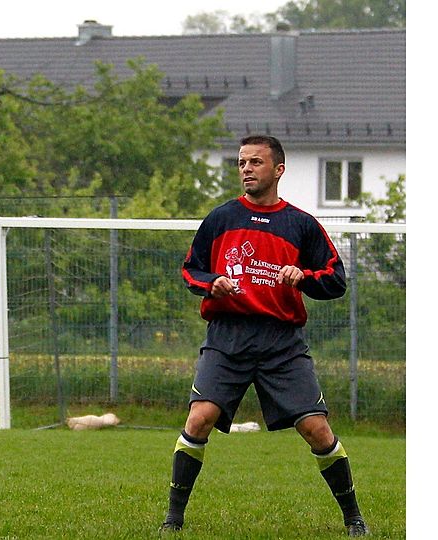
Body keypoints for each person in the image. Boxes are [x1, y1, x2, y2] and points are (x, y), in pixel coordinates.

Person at [160, 135, 368, 536]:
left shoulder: (301, 224)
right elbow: (191, 269)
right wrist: (211, 283)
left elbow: (336, 280)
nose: (246, 169)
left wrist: (303, 277)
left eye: (255, 162)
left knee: (316, 429)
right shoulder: (221, 218)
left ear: (278, 170)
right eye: (241, 163)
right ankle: (173, 518)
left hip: (281, 342)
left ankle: (354, 517)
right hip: (228, 337)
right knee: (200, 418)